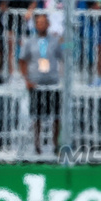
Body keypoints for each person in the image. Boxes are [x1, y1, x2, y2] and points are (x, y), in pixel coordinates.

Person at [18, 11, 63, 154]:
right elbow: (22, 60)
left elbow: (64, 57)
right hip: (36, 83)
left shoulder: (55, 41)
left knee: (56, 115)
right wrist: (27, 80)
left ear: (48, 24)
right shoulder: (29, 41)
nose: (41, 25)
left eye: (43, 22)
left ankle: (56, 144)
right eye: (38, 23)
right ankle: (37, 144)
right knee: (37, 116)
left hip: (52, 82)